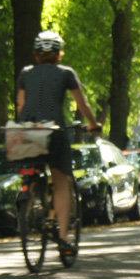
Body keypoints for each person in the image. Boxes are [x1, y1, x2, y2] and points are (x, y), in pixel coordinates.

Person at [16, 31, 100, 256]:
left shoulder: (25, 73)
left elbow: (20, 106)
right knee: (61, 183)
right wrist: (93, 124)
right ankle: (63, 238)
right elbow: (82, 105)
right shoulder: (66, 73)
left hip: (27, 133)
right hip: (54, 133)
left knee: (31, 167)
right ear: (58, 54)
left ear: (36, 54)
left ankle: (29, 193)